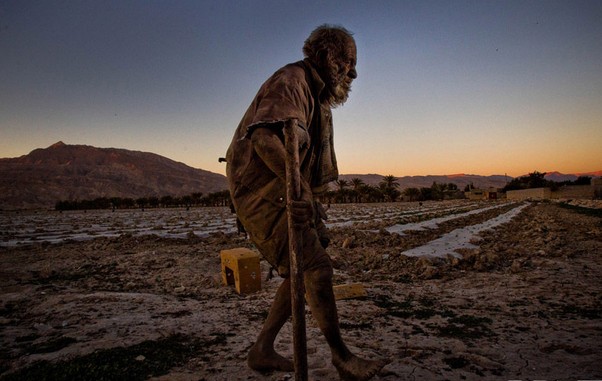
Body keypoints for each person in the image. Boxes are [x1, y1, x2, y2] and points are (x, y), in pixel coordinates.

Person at [225, 25, 388, 380]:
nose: (354, 72)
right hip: (261, 193)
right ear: (329, 56)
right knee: (316, 267)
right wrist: (296, 190)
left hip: (282, 189)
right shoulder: (292, 81)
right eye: (349, 61)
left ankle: (262, 349)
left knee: (304, 266)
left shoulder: (317, 96)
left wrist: (303, 194)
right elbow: (265, 139)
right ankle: (341, 357)